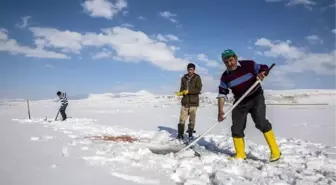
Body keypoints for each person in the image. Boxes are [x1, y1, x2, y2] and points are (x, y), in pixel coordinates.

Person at [217, 49, 281, 162]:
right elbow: (222, 94)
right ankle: (240, 154)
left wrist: (262, 73)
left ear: (236, 58)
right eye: (226, 62)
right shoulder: (225, 77)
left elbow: (264, 67)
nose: (229, 64)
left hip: (256, 97)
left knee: (261, 122)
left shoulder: (249, 65)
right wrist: (220, 111)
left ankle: (275, 151)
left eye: (231, 60)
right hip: (240, 101)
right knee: (236, 127)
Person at [175, 63, 203, 140]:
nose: (190, 71)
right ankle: (180, 135)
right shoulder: (183, 78)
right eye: (189, 69)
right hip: (185, 102)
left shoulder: (197, 78)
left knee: (192, 120)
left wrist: (189, 91)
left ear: (194, 70)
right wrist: (180, 92)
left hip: (193, 103)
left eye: (192, 69)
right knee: (181, 119)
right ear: (187, 69)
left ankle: (190, 135)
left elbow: (198, 89)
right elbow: (182, 89)